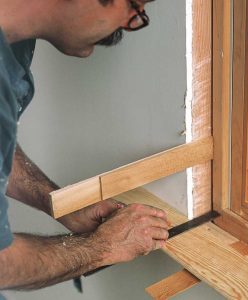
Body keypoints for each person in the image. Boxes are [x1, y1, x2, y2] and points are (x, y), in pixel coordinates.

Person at [0, 0, 169, 296]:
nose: (132, 23)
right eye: (135, 6)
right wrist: (103, 247)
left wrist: (60, 202)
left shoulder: (14, 42)